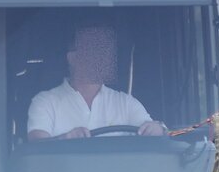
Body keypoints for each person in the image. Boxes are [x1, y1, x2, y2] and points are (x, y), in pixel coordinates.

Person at [27, 25, 165, 141]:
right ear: (72, 58)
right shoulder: (45, 101)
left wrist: (158, 130)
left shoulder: (126, 103)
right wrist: (65, 139)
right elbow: (36, 145)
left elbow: (157, 132)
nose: (101, 58)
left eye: (105, 52)